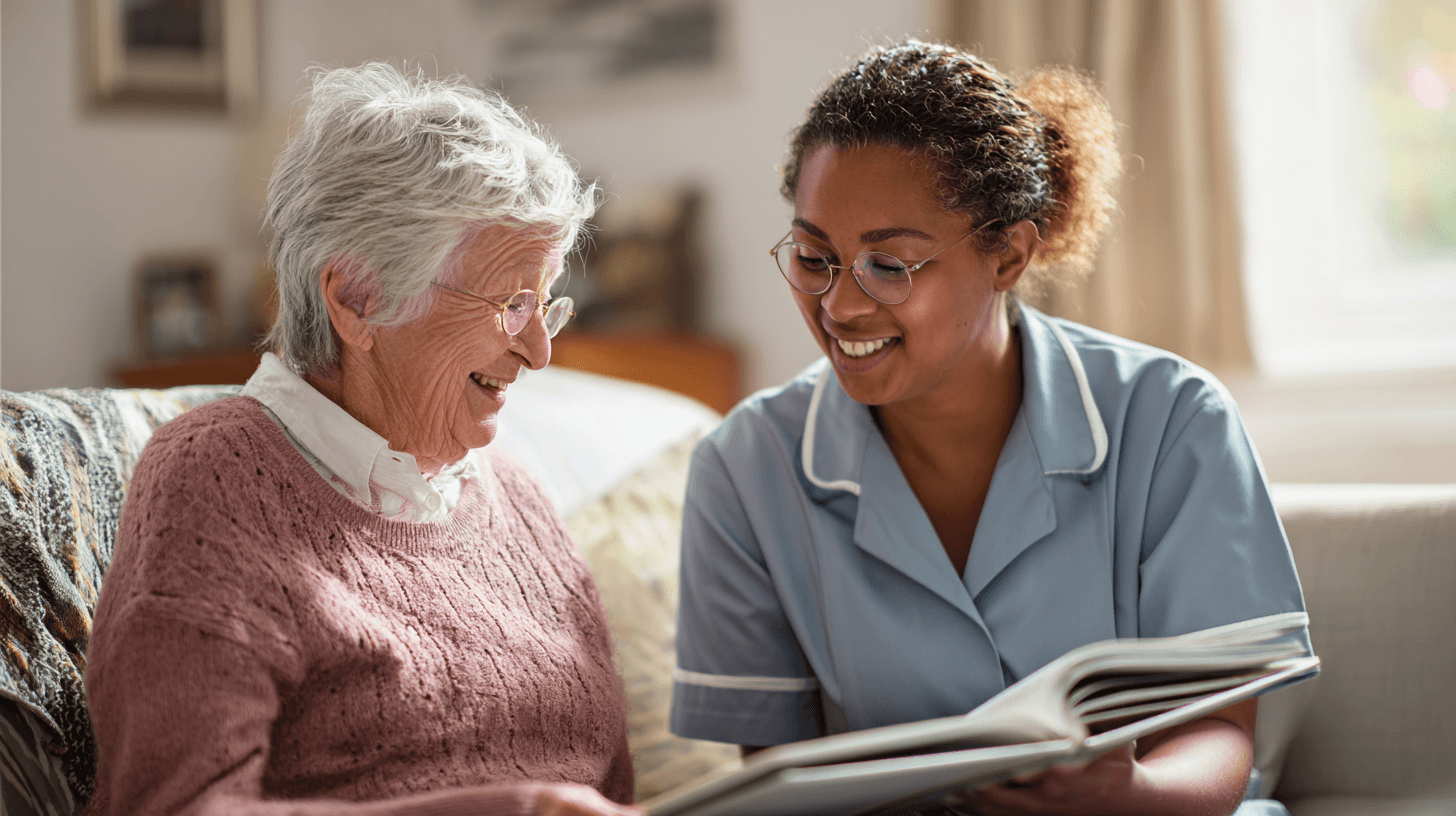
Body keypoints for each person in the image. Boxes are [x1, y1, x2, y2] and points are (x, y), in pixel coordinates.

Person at [669, 40, 1309, 816]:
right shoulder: (742, 469)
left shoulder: (1174, 417)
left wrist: (1129, 792)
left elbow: (1220, 737)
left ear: (1007, 253)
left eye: (889, 264)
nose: (839, 306)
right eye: (814, 257)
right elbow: (782, 781)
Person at [86, 63, 638, 816]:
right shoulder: (213, 481)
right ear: (356, 300)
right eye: (511, 304)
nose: (540, 350)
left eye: (548, 305)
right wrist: (504, 810)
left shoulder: (518, 496)